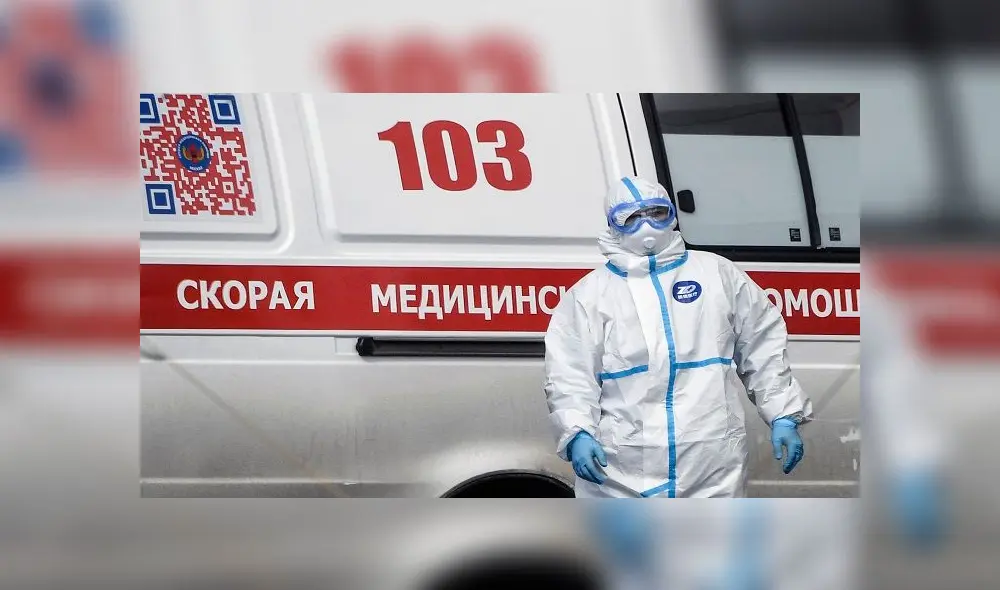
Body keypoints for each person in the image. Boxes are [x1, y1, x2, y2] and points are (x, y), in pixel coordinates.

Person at [544, 176, 814, 498]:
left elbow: (762, 343)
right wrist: (577, 432)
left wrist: (782, 413)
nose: (647, 225)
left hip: (710, 459)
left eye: (657, 213)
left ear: (673, 215)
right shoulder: (590, 295)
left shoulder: (716, 274)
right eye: (630, 218)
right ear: (613, 225)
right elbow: (569, 372)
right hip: (622, 467)